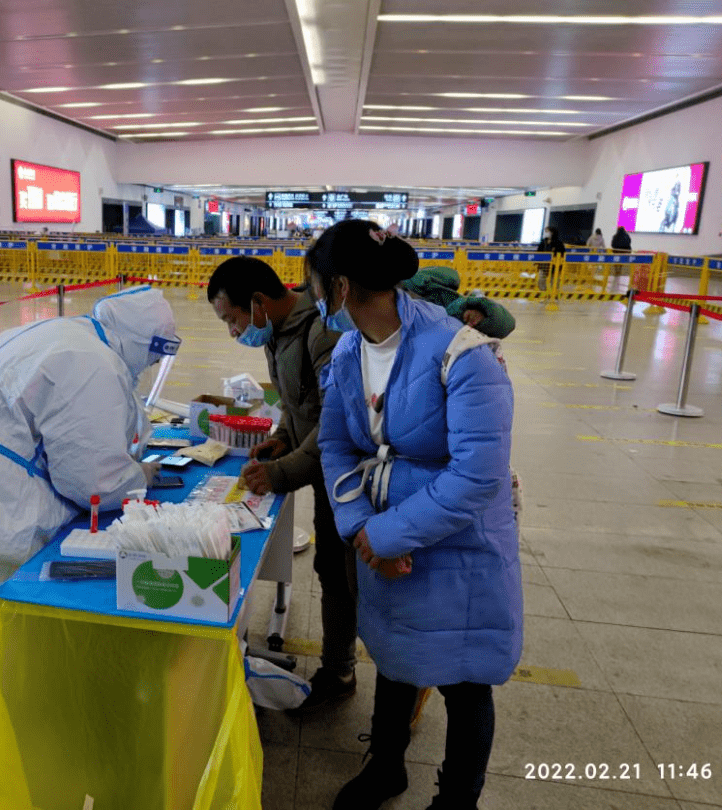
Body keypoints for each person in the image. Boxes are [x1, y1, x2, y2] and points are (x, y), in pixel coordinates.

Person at [308, 220, 522, 810]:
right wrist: (359, 530)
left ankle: (457, 800)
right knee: (397, 657)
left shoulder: (463, 355)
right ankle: (385, 768)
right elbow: (336, 446)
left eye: (315, 282)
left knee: (463, 678)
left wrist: (390, 531)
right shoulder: (349, 351)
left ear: (341, 285)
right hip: (384, 543)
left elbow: (478, 476)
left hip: (457, 550)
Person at [0, 286, 180, 689]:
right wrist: (140, 477)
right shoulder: (91, 362)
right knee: (13, 645)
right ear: (139, 340)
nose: (150, 364)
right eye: (153, 353)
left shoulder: (63, 334)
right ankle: (23, 737)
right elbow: (93, 483)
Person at [206, 257, 358, 715]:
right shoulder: (279, 333)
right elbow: (298, 404)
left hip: (347, 472)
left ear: (258, 302)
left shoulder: (320, 332)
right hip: (323, 465)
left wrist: (282, 472)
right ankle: (340, 664)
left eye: (232, 318)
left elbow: (336, 419)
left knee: (344, 574)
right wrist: (280, 440)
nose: (233, 331)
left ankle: (340, 671)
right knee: (332, 568)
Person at [399, 265, 515, 338]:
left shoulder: (449, 325)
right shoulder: (450, 288)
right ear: (482, 307)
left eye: (477, 327)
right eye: (480, 320)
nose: (473, 323)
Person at [536, 225, 565, 291]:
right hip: (543, 264)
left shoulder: (558, 243)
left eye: (547, 231)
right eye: (545, 231)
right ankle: (543, 292)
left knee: (554, 279)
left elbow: (562, 253)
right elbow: (538, 251)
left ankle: (553, 293)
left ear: (552, 232)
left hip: (555, 265)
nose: (545, 233)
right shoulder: (543, 242)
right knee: (541, 278)